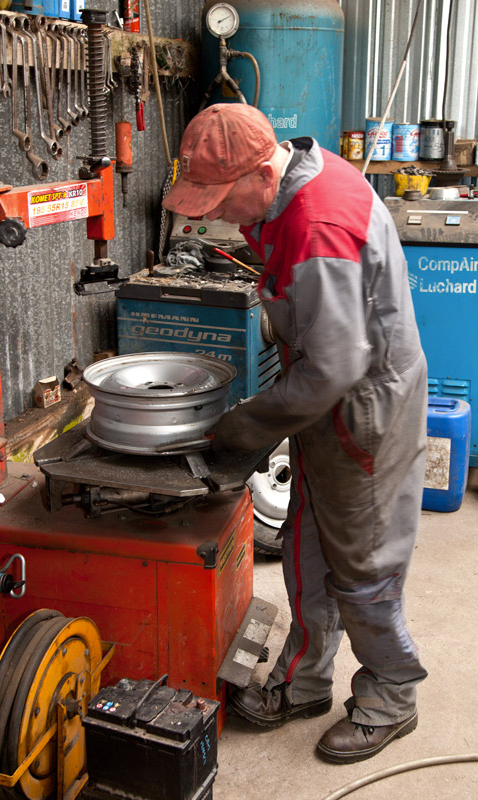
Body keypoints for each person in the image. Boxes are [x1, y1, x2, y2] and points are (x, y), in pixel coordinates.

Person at [162, 103, 428, 764]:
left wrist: (241, 427)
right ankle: (304, 681)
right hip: (324, 400)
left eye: (224, 199)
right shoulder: (289, 187)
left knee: (362, 566)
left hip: (363, 409)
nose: (220, 215)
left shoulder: (317, 221)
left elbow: (336, 366)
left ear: (260, 170)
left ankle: (390, 694)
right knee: (308, 548)